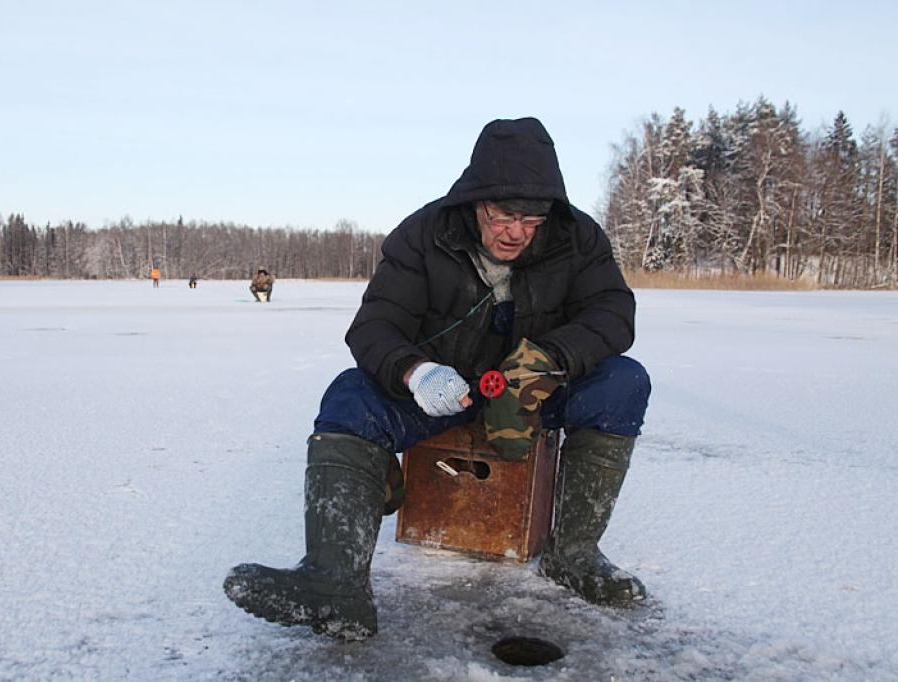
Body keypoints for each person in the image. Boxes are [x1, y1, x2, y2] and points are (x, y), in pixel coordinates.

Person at [224, 118, 651, 641]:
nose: (516, 231)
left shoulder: (578, 237)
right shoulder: (424, 235)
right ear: (476, 200)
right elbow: (375, 326)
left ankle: (574, 556)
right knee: (349, 397)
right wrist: (415, 371)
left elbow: (613, 314)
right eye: (503, 215)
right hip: (442, 392)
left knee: (622, 383)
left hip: (534, 390)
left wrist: (548, 359)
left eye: (532, 218)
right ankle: (336, 586)